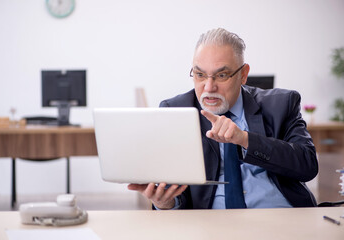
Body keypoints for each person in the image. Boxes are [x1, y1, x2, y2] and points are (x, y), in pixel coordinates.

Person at [128, 28, 318, 210]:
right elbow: (175, 192)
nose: (209, 87)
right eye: (200, 75)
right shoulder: (176, 110)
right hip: (211, 225)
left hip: (280, 216)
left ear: (243, 75)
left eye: (221, 75)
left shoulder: (281, 104)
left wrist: (244, 139)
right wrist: (165, 203)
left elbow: (307, 166)